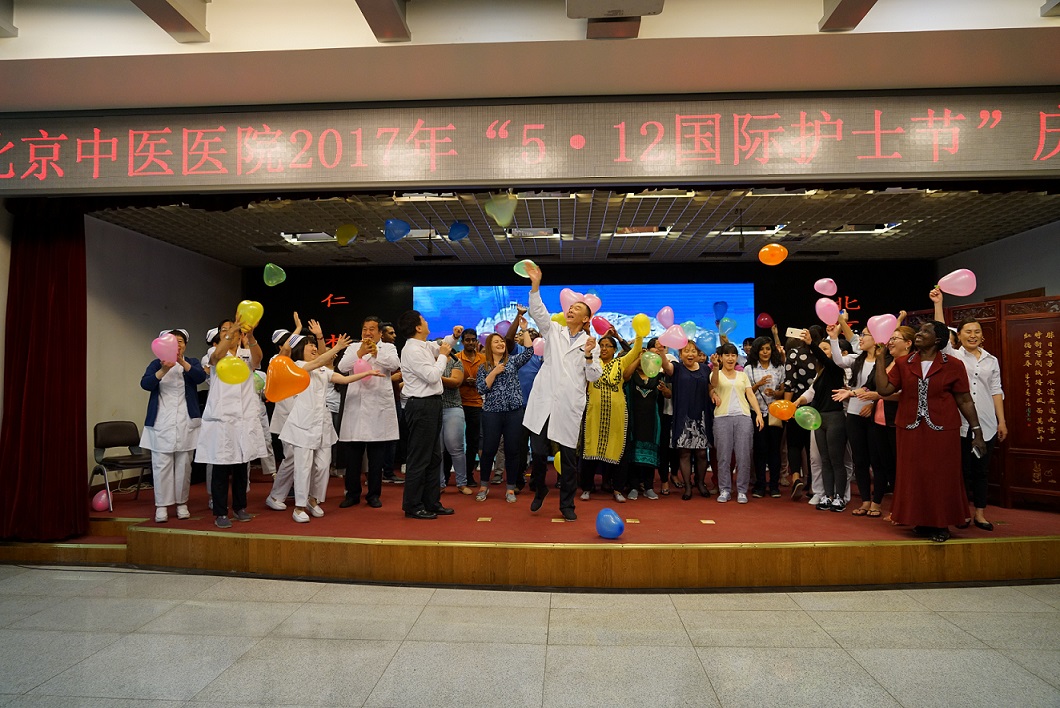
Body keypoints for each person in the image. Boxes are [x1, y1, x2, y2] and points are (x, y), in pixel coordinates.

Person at [874, 320, 986, 542]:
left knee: (941, 475)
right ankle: (921, 521)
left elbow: (964, 399)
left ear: (937, 340)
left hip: (943, 429)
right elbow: (884, 389)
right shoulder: (904, 362)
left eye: (926, 331)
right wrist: (879, 359)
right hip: (910, 428)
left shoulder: (953, 364)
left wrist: (977, 431)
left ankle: (940, 524)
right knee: (914, 475)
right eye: (919, 330)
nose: (919, 333)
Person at [521, 263, 602, 521]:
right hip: (545, 399)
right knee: (538, 450)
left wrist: (588, 355)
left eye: (577, 308)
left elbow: (594, 376)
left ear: (586, 318)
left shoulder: (592, 344)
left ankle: (567, 504)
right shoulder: (553, 331)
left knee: (568, 458)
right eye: (570, 307)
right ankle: (540, 488)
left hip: (568, 404)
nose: (571, 310)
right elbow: (538, 312)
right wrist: (535, 285)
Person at [280, 331, 382, 522]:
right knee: (303, 467)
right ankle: (299, 507)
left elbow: (343, 379)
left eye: (314, 345)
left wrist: (367, 373)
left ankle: (313, 499)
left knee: (322, 466)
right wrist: (337, 347)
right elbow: (319, 361)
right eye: (310, 345)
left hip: (322, 424)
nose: (314, 348)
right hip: (303, 425)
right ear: (300, 349)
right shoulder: (298, 365)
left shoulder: (322, 370)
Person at [931, 289, 1007, 530]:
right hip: (959, 424)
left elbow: (996, 390)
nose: (973, 336)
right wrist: (939, 304)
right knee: (959, 471)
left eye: (977, 332)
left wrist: (1001, 421)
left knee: (981, 471)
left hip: (986, 423)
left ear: (982, 336)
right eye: (968, 332)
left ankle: (980, 514)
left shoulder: (991, 360)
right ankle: (962, 512)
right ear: (959, 335)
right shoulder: (953, 356)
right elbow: (940, 332)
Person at [195, 315, 268, 529]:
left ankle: (240, 507)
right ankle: (220, 512)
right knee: (220, 467)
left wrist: (251, 336)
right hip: (222, 418)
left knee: (241, 466)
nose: (230, 331)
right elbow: (217, 356)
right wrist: (231, 331)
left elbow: (258, 359)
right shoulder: (214, 352)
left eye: (234, 329)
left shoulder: (246, 353)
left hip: (244, 418)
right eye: (224, 330)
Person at [139, 328, 207, 523]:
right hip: (162, 421)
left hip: (186, 421)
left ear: (185, 345)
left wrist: (181, 362)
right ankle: (161, 506)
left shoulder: (191, 362)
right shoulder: (156, 363)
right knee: (161, 465)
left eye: (180, 341)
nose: (177, 345)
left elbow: (200, 377)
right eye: (172, 341)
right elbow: (145, 384)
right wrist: (164, 370)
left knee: (184, 465)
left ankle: (181, 503)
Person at [397, 311, 458, 519]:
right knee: (419, 458)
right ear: (417, 327)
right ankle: (413, 505)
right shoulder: (412, 350)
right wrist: (443, 356)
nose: (426, 322)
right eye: (423, 320)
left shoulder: (423, 345)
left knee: (433, 457)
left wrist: (454, 337)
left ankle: (431, 502)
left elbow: (440, 345)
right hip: (421, 405)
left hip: (432, 404)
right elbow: (432, 376)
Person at [336, 316, 400, 509]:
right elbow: (342, 367)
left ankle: (373, 495)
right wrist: (360, 353)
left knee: (376, 458)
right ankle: (352, 494)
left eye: (372, 329)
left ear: (380, 333)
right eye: (365, 329)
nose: (368, 333)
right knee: (353, 457)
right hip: (356, 407)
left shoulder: (388, 348)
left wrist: (375, 352)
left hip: (378, 409)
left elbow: (394, 365)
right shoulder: (353, 348)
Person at [582, 331, 643, 503]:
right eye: (601, 346)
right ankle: (586, 488)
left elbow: (636, 350)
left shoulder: (620, 363)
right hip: (595, 415)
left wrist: (639, 333)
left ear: (615, 349)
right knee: (590, 449)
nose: (604, 349)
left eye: (608, 346)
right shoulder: (592, 363)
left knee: (618, 450)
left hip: (616, 415)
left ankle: (617, 489)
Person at [476, 331, 535, 503]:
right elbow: (481, 389)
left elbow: (529, 352)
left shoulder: (513, 361)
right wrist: (494, 372)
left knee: (512, 450)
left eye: (501, 341)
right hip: (492, 413)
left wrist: (524, 330)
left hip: (514, 412)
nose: (501, 344)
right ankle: (484, 486)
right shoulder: (484, 367)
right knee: (489, 450)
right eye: (496, 342)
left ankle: (510, 488)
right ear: (489, 346)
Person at [831, 329, 884, 516]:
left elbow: (886, 390)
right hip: (853, 414)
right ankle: (865, 501)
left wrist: (873, 404)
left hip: (875, 415)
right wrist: (833, 337)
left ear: (877, 339)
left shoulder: (885, 361)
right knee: (859, 460)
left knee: (876, 461)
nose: (860, 338)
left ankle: (877, 502)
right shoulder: (857, 359)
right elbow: (838, 360)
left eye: (865, 335)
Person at [710, 343, 765, 503]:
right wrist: (715, 367)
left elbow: (750, 395)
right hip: (722, 417)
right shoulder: (715, 373)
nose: (730, 358)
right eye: (727, 355)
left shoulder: (742, 375)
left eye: (733, 355)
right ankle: (724, 490)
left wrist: (758, 414)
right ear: (721, 357)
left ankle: (742, 490)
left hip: (743, 417)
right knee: (723, 457)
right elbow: (713, 384)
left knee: (744, 456)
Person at [660, 341, 714, 501]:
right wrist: (662, 352)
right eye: (686, 351)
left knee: (702, 453)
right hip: (683, 417)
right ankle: (688, 486)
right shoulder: (677, 368)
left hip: (701, 417)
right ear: (680, 354)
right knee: (684, 453)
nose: (690, 354)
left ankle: (701, 483)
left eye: (693, 351)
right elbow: (666, 367)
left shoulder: (705, 369)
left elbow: (712, 387)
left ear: (698, 354)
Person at [746, 336, 785, 498]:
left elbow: (783, 390)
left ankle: (774, 485)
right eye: (762, 349)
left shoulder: (779, 367)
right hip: (757, 414)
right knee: (760, 449)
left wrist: (775, 393)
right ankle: (760, 485)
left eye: (768, 349)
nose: (765, 352)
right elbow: (747, 393)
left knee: (775, 450)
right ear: (756, 351)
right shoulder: (749, 368)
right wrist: (758, 384)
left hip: (775, 413)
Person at [439, 338, 472, 494]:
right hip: (433, 409)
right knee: (437, 450)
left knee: (456, 447)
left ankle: (462, 483)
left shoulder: (455, 361)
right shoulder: (428, 363)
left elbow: (456, 381)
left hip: (452, 407)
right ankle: (439, 484)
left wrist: (433, 377)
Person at [458, 327, 486, 487]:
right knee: (454, 442)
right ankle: (447, 475)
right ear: (462, 342)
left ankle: (469, 475)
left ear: (476, 341)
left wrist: (477, 382)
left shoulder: (483, 359)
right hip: (458, 404)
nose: (470, 343)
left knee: (473, 442)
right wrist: (463, 381)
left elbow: (489, 379)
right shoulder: (456, 358)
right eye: (467, 340)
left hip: (476, 404)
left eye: (473, 340)